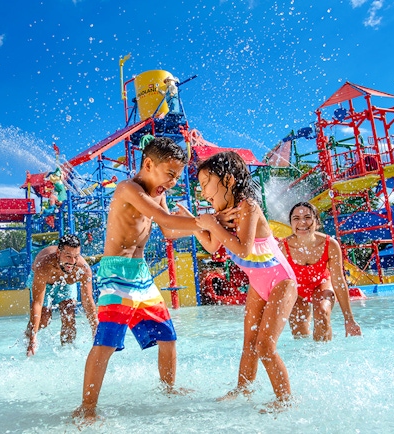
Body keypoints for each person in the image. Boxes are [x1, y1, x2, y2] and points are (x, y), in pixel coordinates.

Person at [72, 136, 203, 424]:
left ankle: (168, 389)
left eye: (177, 177)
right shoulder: (127, 188)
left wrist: (197, 229)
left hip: (141, 275)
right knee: (105, 344)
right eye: (170, 174)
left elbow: (168, 231)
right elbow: (163, 219)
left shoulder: (159, 192)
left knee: (168, 337)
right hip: (117, 274)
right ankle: (87, 408)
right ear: (148, 164)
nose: (172, 182)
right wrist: (206, 223)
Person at [186, 150, 298, 409]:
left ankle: (284, 400)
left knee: (265, 346)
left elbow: (244, 249)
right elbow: (213, 247)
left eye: (205, 184)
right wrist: (197, 224)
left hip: (281, 281)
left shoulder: (248, 206)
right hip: (258, 286)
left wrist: (213, 225)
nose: (203, 193)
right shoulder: (224, 215)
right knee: (249, 343)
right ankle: (243, 389)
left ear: (227, 180)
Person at [279, 202, 362, 341]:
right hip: (297, 290)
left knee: (322, 313)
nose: (302, 222)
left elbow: (339, 281)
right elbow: (275, 282)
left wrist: (349, 319)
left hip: (321, 284)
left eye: (307, 217)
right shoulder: (283, 247)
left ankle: (326, 355)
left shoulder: (330, 244)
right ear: (291, 223)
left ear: (317, 222)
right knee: (300, 333)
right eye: (296, 219)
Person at [25, 234, 98, 356]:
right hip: (45, 281)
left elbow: (88, 302)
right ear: (58, 253)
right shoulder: (44, 266)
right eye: (68, 256)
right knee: (44, 319)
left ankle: (68, 350)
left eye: (76, 256)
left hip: (66, 282)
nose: (72, 262)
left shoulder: (82, 270)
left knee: (69, 313)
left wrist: (95, 329)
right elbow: (37, 303)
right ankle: (28, 335)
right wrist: (33, 339)